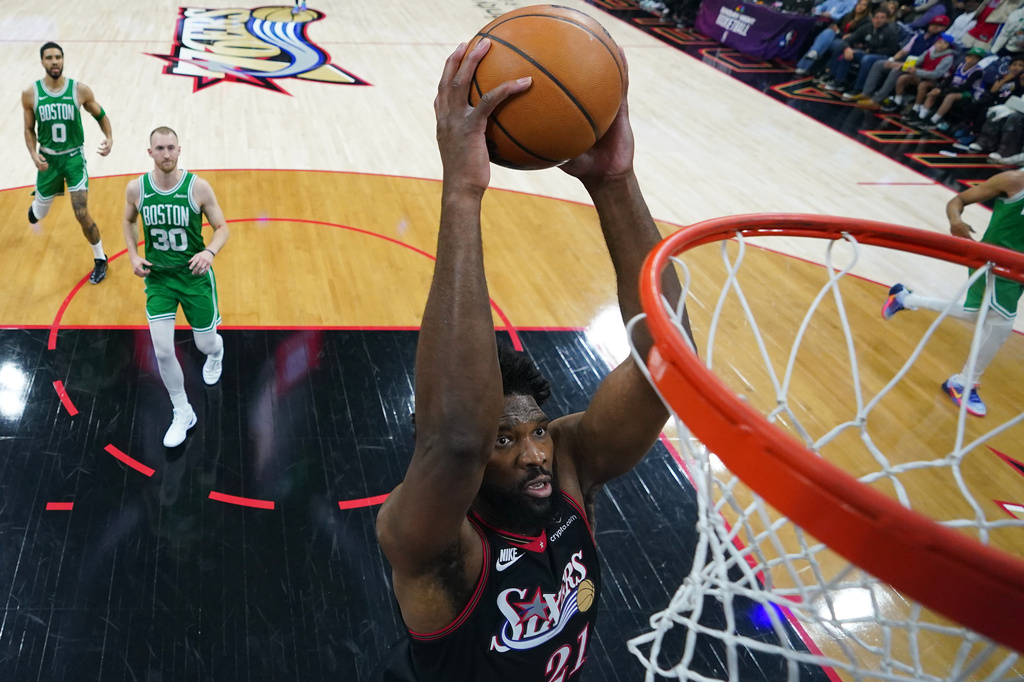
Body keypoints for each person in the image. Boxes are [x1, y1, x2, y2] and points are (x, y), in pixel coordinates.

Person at [373, 39, 687, 681]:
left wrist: (614, 182)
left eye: (538, 431)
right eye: (505, 440)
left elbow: (668, 360)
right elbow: (455, 441)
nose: (535, 454)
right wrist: (462, 193)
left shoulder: (570, 467)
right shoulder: (435, 543)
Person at [882, 170, 1024, 417]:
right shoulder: (1013, 181)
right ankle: (962, 383)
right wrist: (956, 222)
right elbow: (957, 200)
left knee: (977, 314)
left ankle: (905, 298)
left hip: (1018, 270)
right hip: (994, 263)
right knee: (1001, 323)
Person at [122, 127, 229, 447]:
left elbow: (222, 228)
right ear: (150, 152)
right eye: (160, 148)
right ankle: (183, 411)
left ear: (179, 150)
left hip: (193, 277)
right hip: (159, 279)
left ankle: (217, 351)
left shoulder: (198, 187)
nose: (166, 153)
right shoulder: (137, 188)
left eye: (171, 147)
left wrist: (209, 252)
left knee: (205, 344)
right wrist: (133, 255)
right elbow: (128, 220)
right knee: (163, 351)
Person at [23, 42, 113, 284]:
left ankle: (100, 258)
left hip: (73, 158)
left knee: (81, 211)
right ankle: (36, 207)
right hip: (48, 159)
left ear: (63, 60)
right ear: (42, 61)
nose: (54, 62)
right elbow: (28, 128)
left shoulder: (79, 90)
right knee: (39, 214)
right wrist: (33, 154)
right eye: (49, 58)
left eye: (58, 57)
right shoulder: (31, 93)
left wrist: (109, 137)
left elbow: (100, 115)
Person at [844, 16, 954, 106]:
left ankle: (876, 100)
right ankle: (866, 93)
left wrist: (901, 65)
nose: (934, 27)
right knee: (880, 64)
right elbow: (903, 51)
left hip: (918, 69)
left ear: (944, 28)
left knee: (895, 70)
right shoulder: (919, 36)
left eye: (939, 25)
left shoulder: (938, 42)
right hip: (905, 62)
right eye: (933, 24)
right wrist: (892, 60)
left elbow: (922, 60)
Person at [821, 9, 903, 93]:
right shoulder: (867, 27)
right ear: (873, 18)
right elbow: (848, 40)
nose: (878, 20)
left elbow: (892, 50)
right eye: (876, 17)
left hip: (883, 57)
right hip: (866, 53)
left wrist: (872, 50)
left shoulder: (891, 31)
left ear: (887, 20)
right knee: (847, 52)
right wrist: (847, 49)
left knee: (866, 59)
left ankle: (858, 88)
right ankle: (839, 81)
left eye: (882, 18)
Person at [796, 0, 873, 75]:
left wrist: (840, 32)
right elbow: (836, 25)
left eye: (864, 5)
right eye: (859, 4)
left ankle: (804, 66)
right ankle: (814, 53)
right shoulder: (849, 15)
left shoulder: (866, 21)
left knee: (823, 42)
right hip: (839, 37)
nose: (860, 6)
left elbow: (855, 36)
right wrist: (836, 30)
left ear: (868, 8)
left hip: (848, 43)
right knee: (828, 32)